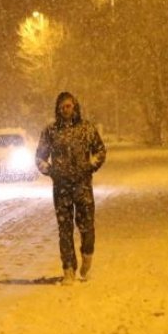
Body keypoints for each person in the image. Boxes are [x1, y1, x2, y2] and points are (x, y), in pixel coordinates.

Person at [36, 91, 106, 285]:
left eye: (69, 106)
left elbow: (100, 150)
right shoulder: (50, 131)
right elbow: (40, 157)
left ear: (75, 107)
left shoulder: (87, 129)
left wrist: (91, 165)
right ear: (58, 108)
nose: (66, 110)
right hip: (61, 188)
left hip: (83, 186)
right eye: (63, 106)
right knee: (65, 230)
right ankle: (68, 269)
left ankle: (87, 255)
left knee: (87, 227)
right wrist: (51, 171)